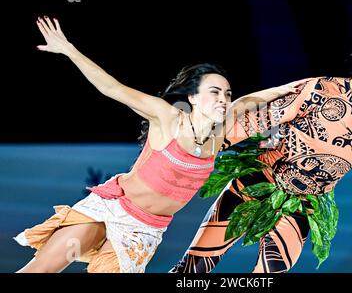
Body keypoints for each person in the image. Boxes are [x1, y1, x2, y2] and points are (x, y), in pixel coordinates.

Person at [14, 16, 302, 273]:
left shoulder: (222, 129)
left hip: (144, 230)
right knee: (42, 268)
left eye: (226, 93)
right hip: (112, 207)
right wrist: (68, 49)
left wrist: (293, 88)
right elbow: (112, 88)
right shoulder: (168, 118)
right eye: (214, 92)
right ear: (192, 98)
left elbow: (247, 101)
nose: (222, 99)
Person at [169, 32, 352, 273]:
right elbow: (258, 120)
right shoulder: (321, 89)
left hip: (302, 204)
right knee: (192, 270)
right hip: (257, 182)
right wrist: (199, 150)